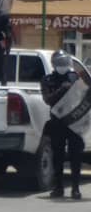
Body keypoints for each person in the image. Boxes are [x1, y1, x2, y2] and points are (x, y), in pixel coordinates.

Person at [41, 50, 84, 200]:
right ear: (54, 64)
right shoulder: (48, 80)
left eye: (64, 62)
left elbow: (84, 94)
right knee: (57, 156)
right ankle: (58, 187)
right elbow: (48, 99)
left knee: (76, 156)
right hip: (57, 122)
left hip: (74, 121)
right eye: (59, 63)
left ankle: (75, 189)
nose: (62, 65)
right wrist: (62, 89)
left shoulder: (75, 77)